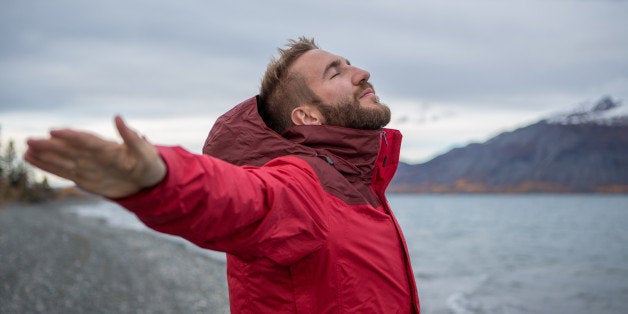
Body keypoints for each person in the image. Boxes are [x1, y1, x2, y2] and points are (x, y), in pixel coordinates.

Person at [24, 37, 420, 313]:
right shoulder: (305, 185)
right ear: (307, 116)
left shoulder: (357, 182)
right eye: (336, 74)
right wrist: (160, 179)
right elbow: (244, 199)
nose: (362, 72)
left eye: (349, 64)